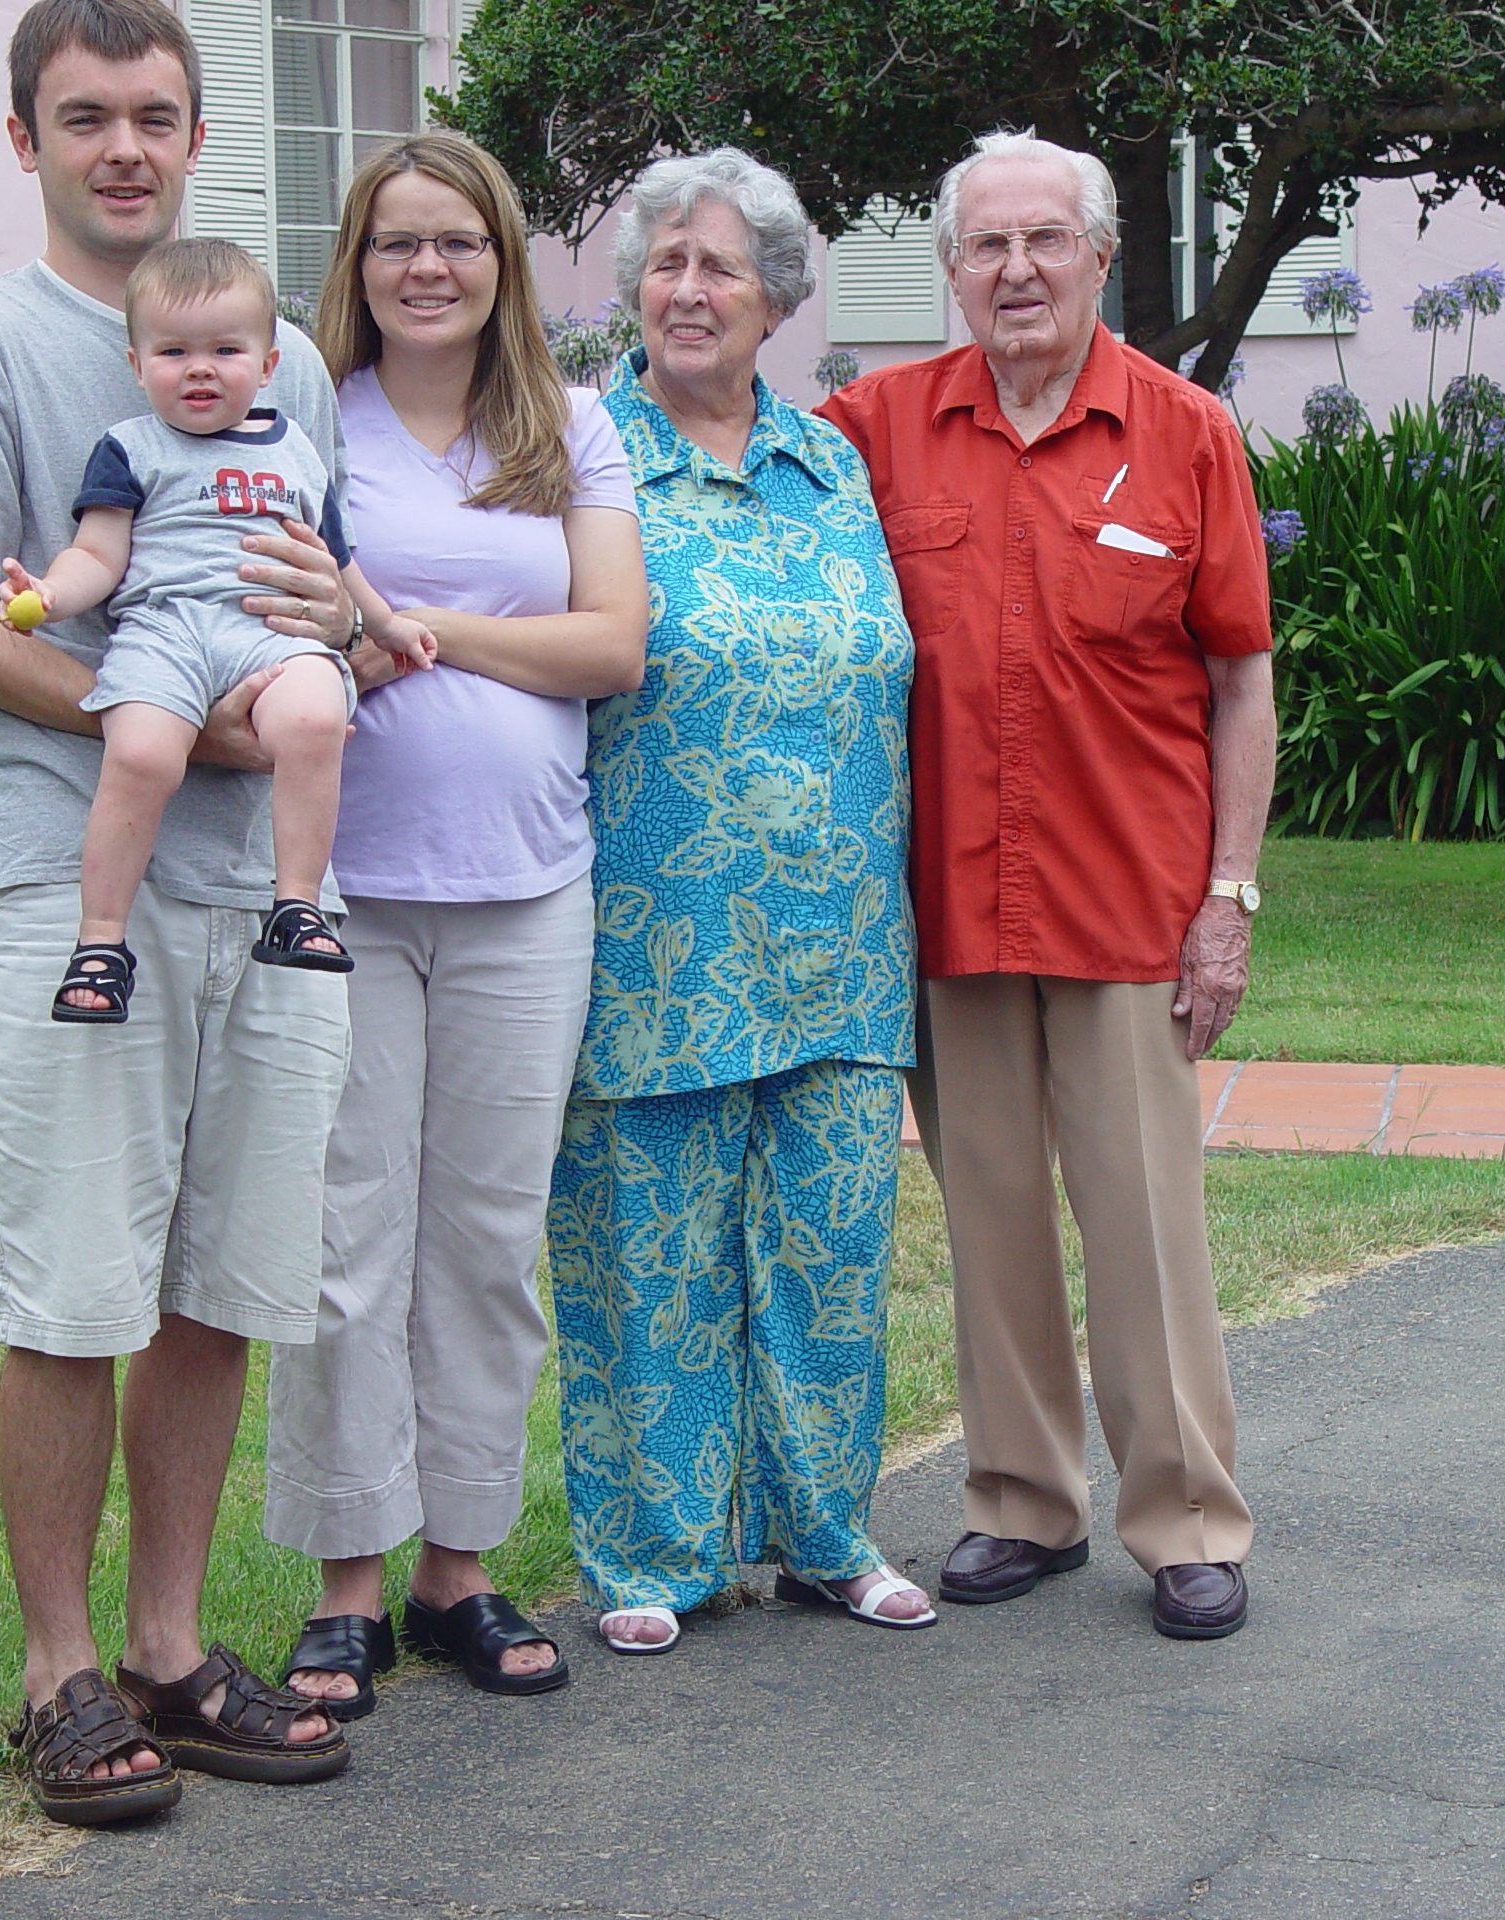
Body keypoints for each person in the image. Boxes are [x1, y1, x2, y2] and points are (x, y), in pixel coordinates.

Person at [0, 0, 356, 1824]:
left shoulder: (278, 360)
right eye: (85, 119)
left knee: (222, 1281)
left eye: (155, 115)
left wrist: (311, 654)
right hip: (70, 873)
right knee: (77, 1283)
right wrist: (171, 724)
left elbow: (315, 591)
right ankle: (59, 1675)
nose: (125, 149)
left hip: (262, 899)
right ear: (26, 139)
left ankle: (169, 1645)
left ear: (193, 131)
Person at [820, 130, 1278, 1641]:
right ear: (949, 270)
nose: (1015, 270)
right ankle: (1021, 1498)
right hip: (947, 904)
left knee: (1145, 1227)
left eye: (1043, 242)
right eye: (985, 247)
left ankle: (1189, 1516)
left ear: (1097, 255)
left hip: (1126, 906)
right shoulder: (873, 428)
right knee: (995, 1214)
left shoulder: (1186, 429)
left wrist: (1231, 897)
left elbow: (1240, 685)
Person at [264, 131, 648, 1709]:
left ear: (504, 262)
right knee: (352, 1238)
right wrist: (475, 631)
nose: (429, 268)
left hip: (527, 894)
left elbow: (615, 643)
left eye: (461, 241)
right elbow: (285, 608)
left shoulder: (569, 426)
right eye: (397, 243)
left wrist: (420, 630)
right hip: (347, 889)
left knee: (486, 1246)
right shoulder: (308, 424)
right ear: (357, 265)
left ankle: (460, 1573)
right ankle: (350, 1580)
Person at [546, 148, 928, 1657]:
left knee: (830, 1250)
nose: (688, 291)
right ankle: (655, 1552)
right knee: (648, 1253)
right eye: (664, 265)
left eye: (720, 269)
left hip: (841, 941)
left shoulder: (835, 465)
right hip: (657, 941)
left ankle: (828, 1533)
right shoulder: (582, 457)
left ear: (778, 299)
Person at [0, 236, 437, 1023]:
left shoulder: (296, 451)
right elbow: (98, 552)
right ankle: (100, 940)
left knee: (315, 716)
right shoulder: (131, 448)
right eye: (173, 351)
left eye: (225, 350)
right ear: (137, 365)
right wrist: (48, 597)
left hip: (270, 632)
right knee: (139, 753)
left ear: (269, 364)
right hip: (165, 632)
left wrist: (387, 622)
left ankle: (295, 905)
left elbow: (338, 561)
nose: (199, 368)